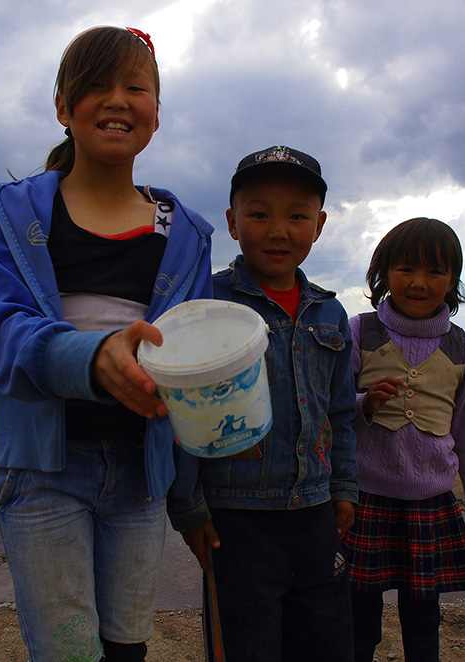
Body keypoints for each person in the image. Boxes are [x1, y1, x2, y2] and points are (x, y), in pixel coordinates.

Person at [0, 26, 213, 662]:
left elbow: (190, 349)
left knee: (127, 647)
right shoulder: (10, 216)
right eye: (96, 85)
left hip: (141, 474)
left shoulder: (185, 233)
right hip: (42, 471)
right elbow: (6, 336)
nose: (118, 99)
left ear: (156, 110)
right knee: (70, 653)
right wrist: (94, 358)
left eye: (136, 87)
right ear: (62, 106)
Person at [168, 146, 358, 662]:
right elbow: (182, 414)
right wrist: (187, 506)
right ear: (232, 222)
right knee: (245, 646)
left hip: (315, 510)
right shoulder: (206, 306)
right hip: (236, 517)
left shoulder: (331, 315)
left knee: (326, 643)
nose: (278, 230)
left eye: (296, 216)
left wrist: (343, 487)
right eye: (259, 214)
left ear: (319, 225)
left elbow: (340, 414)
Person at [344, 217, 465, 662]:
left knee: (423, 619)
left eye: (435, 271)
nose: (418, 282)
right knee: (358, 619)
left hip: (430, 503)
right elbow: (329, 408)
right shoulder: (359, 331)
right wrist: (363, 403)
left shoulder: (463, 347)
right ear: (384, 272)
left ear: (453, 280)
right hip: (364, 499)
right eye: (406, 268)